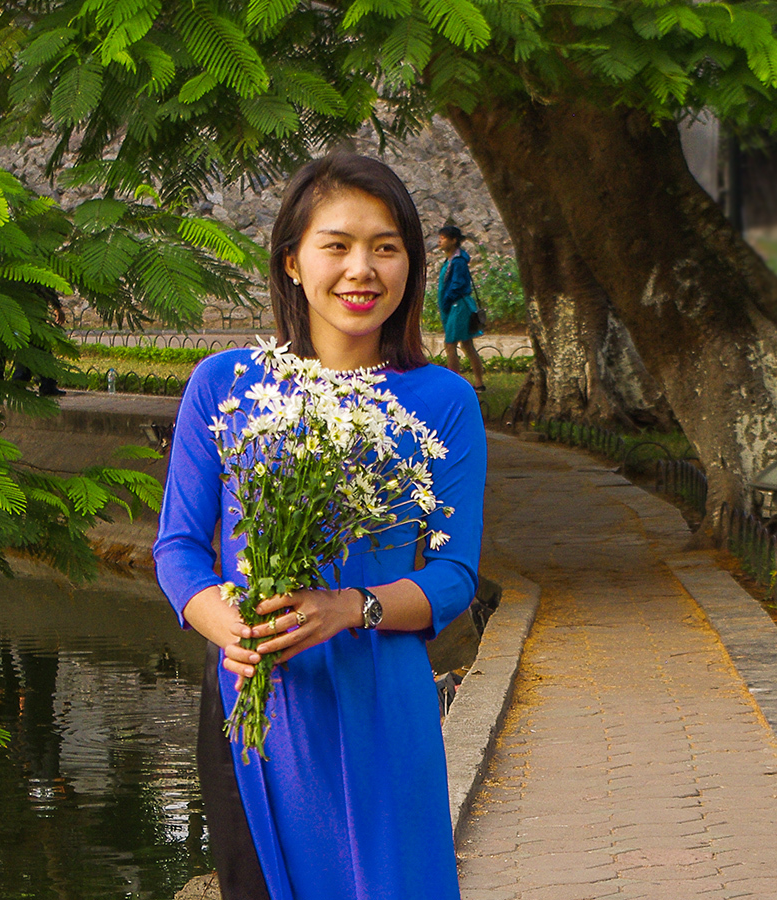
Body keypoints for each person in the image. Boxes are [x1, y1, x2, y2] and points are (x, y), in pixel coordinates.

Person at [152, 155, 487, 900]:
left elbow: (454, 575)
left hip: (383, 696)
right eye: (336, 245)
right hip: (258, 699)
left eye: (385, 247)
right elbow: (177, 548)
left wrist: (351, 608)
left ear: (410, 265)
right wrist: (230, 626)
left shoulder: (444, 401)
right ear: (292, 263)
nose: (360, 269)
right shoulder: (227, 385)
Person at [436, 225, 486, 392]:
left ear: (453, 240)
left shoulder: (458, 262)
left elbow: (457, 285)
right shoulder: (451, 260)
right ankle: (478, 383)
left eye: (443, 238)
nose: (440, 241)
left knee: (450, 344)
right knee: (467, 344)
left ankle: (454, 384)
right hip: (455, 305)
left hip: (458, 305)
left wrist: (446, 301)